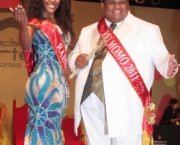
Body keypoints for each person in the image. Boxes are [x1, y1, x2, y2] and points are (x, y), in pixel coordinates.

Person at [68, 0, 180, 145]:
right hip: (90, 102)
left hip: (126, 106)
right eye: (112, 2)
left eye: (121, 2)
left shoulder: (148, 29)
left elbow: (161, 58)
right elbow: (72, 55)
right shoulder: (88, 31)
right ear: (103, 5)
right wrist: (76, 59)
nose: (117, 6)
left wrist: (168, 67)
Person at [10, 0, 75, 144]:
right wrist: (23, 25)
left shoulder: (63, 24)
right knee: (42, 126)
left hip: (60, 84)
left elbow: (77, 47)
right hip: (43, 82)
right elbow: (26, 43)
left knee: (54, 127)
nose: (53, 1)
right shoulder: (34, 23)